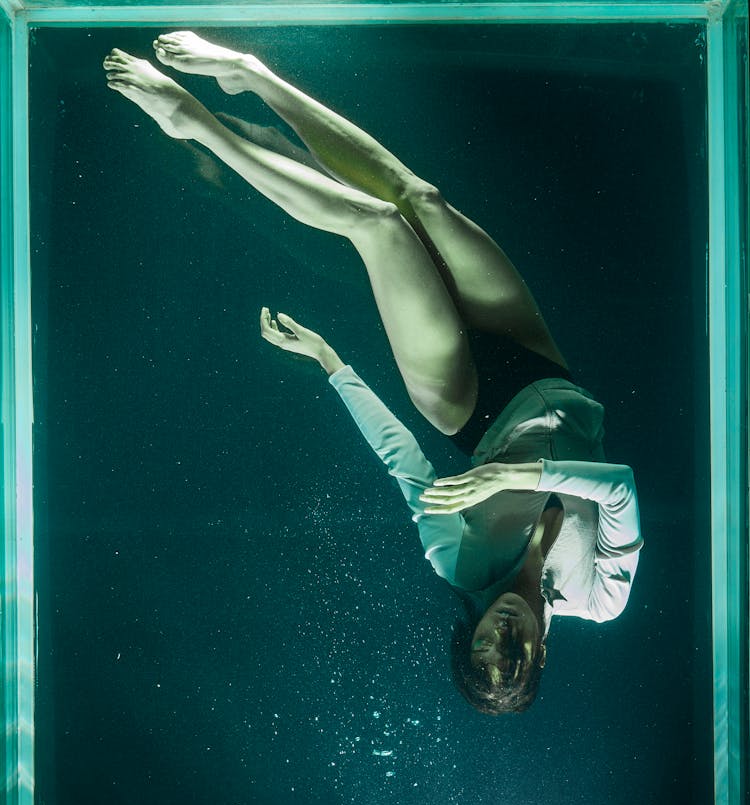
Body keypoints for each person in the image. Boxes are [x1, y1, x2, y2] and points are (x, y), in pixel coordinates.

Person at [103, 32, 643, 714]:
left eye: (482, 646)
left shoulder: (459, 564)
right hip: (545, 368)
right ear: (541, 653)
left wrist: (332, 364)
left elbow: (406, 467)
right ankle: (250, 75)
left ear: (469, 635)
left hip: (468, 405)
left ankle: (194, 123)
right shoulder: (601, 596)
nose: (500, 635)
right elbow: (619, 491)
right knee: (425, 199)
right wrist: (517, 477)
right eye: (513, 653)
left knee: (380, 225)